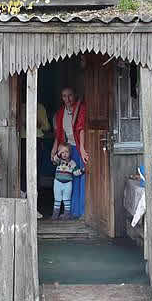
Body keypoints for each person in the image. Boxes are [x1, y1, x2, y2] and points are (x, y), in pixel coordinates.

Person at [52, 87, 88, 218]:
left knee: (81, 178)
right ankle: (72, 211)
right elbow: (59, 134)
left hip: (79, 148)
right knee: (70, 180)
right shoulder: (61, 112)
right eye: (64, 96)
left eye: (70, 95)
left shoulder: (81, 108)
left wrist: (83, 149)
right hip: (69, 149)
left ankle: (83, 212)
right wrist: (55, 150)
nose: (67, 99)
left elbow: (81, 129)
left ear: (75, 95)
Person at [21, 101, 51, 219]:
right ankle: (25, 207)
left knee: (32, 173)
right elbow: (47, 127)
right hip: (25, 140)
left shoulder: (40, 107)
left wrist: (38, 124)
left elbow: (46, 127)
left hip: (34, 140)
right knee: (26, 173)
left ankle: (33, 207)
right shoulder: (24, 106)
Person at [51, 143, 83, 220]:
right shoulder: (59, 161)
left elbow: (75, 173)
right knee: (57, 199)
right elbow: (54, 159)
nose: (64, 154)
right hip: (57, 183)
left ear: (70, 153)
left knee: (67, 199)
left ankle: (66, 215)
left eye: (66, 152)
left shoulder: (72, 163)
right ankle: (55, 215)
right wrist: (58, 154)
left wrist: (82, 170)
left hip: (68, 184)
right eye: (62, 152)